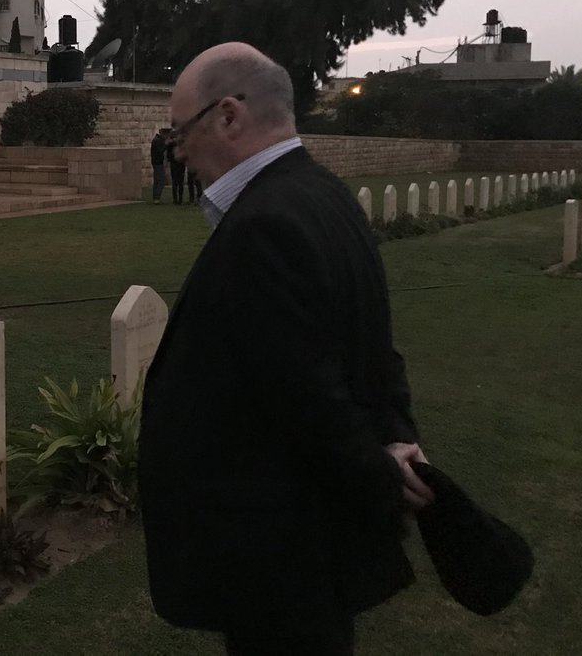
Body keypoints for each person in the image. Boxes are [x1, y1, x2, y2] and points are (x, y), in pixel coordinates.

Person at [139, 42, 433, 656]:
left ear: (228, 116)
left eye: (181, 132)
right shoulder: (324, 193)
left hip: (280, 551)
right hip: (309, 548)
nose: (179, 151)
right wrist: (397, 436)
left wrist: (384, 474)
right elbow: (370, 350)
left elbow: (307, 398)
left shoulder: (263, 225)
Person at [150, 128, 169, 203]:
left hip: (156, 162)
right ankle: (157, 197)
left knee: (157, 180)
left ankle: (155, 197)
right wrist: (166, 145)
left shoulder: (156, 140)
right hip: (158, 162)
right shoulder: (157, 141)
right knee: (161, 180)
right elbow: (160, 151)